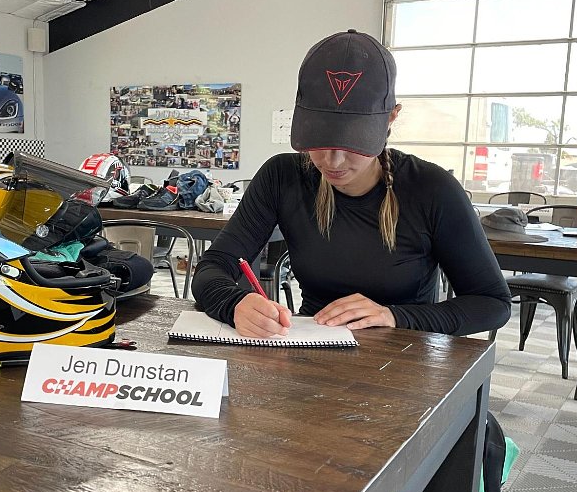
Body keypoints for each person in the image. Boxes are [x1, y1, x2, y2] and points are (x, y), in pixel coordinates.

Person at [191, 29, 511, 338]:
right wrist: (235, 304)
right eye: (319, 140)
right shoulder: (282, 177)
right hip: (312, 348)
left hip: (404, 361)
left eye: (353, 144)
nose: (333, 161)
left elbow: (492, 303)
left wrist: (394, 316)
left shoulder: (432, 189)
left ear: (390, 120)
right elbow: (213, 267)